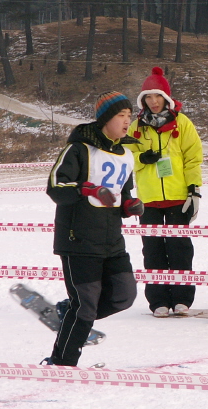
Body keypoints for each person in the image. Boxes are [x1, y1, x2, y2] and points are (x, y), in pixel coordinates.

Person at [46, 91, 142, 365]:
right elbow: (55, 187)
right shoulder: (79, 149)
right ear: (105, 119)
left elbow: (122, 193)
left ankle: (70, 313)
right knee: (86, 306)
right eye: (121, 116)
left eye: (129, 117)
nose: (127, 122)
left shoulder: (126, 154)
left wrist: (130, 205)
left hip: (112, 241)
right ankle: (63, 362)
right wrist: (87, 189)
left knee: (124, 296)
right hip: (79, 240)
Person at [127, 67, 203, 318]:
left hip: (177, 196)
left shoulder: (183, 123)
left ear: (167, 98)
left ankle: (182, 298)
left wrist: (194, 191)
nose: (154, 101)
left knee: (180, 248)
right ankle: (157, 299)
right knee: (152, 249)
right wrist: (142, 158)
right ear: (143, 100)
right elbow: (126, 156)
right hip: (148, 199)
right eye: (148, 97)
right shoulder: (136, 126)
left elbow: (193, 159)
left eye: (158, 96)